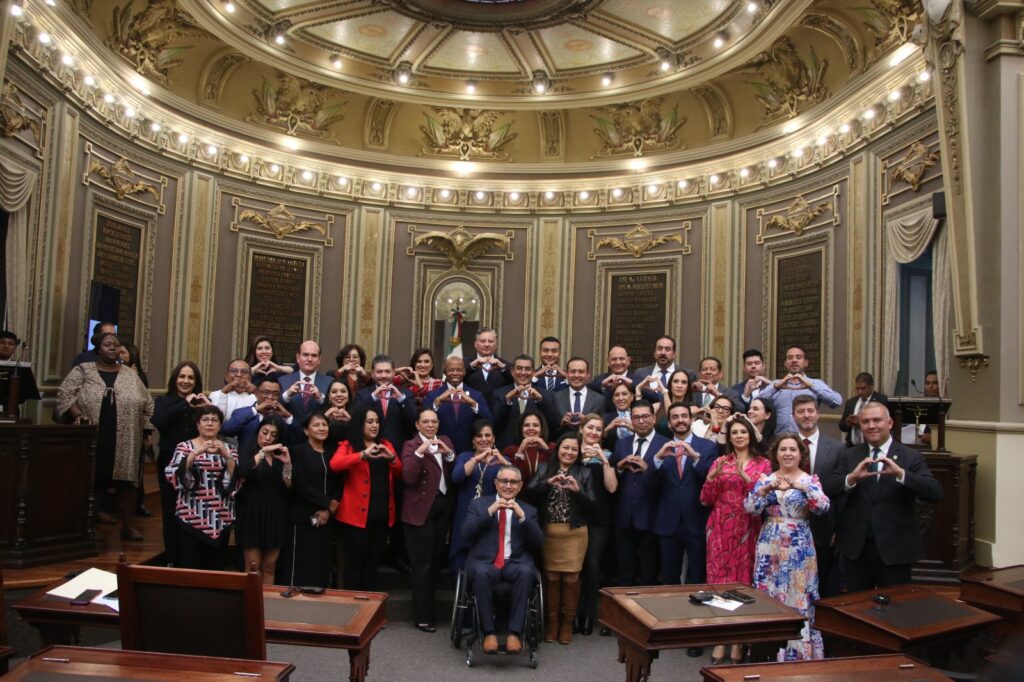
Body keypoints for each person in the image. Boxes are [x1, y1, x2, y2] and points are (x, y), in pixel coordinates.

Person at [826, 402, 942, 591]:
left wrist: (901, 474)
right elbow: (829, 489)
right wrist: (851, 478)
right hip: (856, 548)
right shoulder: (850, 455)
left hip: (895, 548)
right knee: (858, 609)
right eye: (865, 421)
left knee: (896, 610)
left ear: (890, 423)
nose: (871, 426)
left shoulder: (910, 456)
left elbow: (934, 492)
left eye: (876, 420)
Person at [57, 332, 154, 541]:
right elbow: (65, 395)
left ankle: (127, 526)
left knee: (127, 483)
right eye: (108, 344)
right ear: (98, 349)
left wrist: (147, 432)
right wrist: (78, 415)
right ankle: (84, 526)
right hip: (93, 436)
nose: (113, 348)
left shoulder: (130, 374)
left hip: (127, 437)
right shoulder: (82, 370)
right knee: (92, 480)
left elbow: (147, 403)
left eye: (116, 345)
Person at [745, 434, 830, 661]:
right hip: (770, 544)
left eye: (793, 449)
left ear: (800, 454)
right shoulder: (766, 478)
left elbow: (823, 507)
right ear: (776, 453)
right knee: (770, 594)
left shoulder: (809, 480)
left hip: (799, 545)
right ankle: (767, 653)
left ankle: (797, 654)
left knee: (798, 593)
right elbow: (751, 508)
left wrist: (802, 488)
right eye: (783, 449)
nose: (788, 453)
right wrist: (763, 491)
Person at [700, 413, 772, 665]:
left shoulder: (763, 464)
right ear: (728, 438)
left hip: (746, 527)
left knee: (742, 581)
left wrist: (745, 477)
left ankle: (738, 639)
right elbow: (705, 499)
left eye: (743, 432)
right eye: (734, 433)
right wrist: (711, 478)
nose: (738, 436)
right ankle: (721, 637)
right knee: (719, 581)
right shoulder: (720, 461)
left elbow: (764, 501)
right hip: (720, 526)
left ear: (750, 435)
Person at [461, 465, 543, 655]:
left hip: (515, 563)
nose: (508, 485)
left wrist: (522, 516)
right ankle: (489, 633)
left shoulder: (529, 510)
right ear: (496, 484)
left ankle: (514, 633)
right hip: (485, 562)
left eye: (513, 482)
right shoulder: (478, 505)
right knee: (481, 573)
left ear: (520, 486)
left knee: (526, 572)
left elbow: (539, 542)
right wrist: (490, 511)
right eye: (504, 481)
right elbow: (465, 533)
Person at [526, 433, 596, 645]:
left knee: (571, 579)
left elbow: (593, 504)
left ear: (579, 452)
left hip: (575, 533)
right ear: (558, 449)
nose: (569, 452)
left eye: (574, 449)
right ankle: (552, 623)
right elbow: (528, 493)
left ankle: (567, 624)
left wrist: (578, 491)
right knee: (552, 578)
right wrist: (547, 482)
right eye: (566, 448)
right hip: (549, 533)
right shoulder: (544, 469)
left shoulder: (584, 472)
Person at [329, 405, 403, 590]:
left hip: (382, 513)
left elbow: (400, 471)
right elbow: (335, 465)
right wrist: (362, 454)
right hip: (355, 517)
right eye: (370, 421)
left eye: (377, 421)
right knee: (354, 563)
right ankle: (353, 607)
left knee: (372, 563)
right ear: (360, 424)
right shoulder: (348, 445)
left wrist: (391, 457)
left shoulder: (386, 444)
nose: (374, 425)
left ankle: (370, 607)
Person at [645, 403, 718, 586]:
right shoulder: (658, 447)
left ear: (691, 420)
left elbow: (712, 481)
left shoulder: (708, 447)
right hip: (667, 522)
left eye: (684, 416)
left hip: (697, 521)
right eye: (675, 417)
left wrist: (695, 458)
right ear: (669, 424)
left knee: (698, 576)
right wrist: (658, 459)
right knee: (670, 577)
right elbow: (647, 485)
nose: (680, 420)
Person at [400, 410, 456, 632]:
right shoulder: (410, 445)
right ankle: (423, 616)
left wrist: (449, 454)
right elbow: (409, 477)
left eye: (434, 421)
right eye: (425, 421)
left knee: (434, 562)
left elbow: (453, 471)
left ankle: (431, 610)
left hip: (441, 508)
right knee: (422, 566)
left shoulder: (445, 440)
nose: (430, 425)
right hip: (419, 510)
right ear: (417, 424)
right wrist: (420, 454)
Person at [164, 405, 237, 569]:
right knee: (190, 569)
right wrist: (195, 453)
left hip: (221, 517)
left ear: (220, 425)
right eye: (205, 420)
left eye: (214, 420)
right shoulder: (184, 447)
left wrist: (227, 457)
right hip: (191, 516)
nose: (210, 423)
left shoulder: (231, 449)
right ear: (197, 425)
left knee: (216, 571)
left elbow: (235, 482)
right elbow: (172, 474)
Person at [278, 412, 339, 588]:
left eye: (324, 425)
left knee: (321, 563)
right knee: (298, 564)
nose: (321, 428)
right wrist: (325, 503)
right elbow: (298, 483)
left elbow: (339, 483)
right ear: (306, 430)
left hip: (326, 518)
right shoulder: (297, 451)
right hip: (301, 517)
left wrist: (328, 509)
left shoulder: (332, 452)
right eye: (316, 425)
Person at [610, 399, 667, 587]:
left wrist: (648, 468)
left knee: (648, 574)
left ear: (653, 418)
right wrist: (619, 468)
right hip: (624, 516)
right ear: (631, 420)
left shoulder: (665, 445)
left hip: (651, 516)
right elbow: (612, 482)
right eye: (636, 418)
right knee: (624, 572)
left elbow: (669, 482)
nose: (641, 421)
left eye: (645, 416)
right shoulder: (621, 444)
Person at [792, 394, 845, 597]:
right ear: (793, 415)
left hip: (824, 528)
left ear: (817, 413)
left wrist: (839, 528)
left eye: (810, 411)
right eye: (801, 411)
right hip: (791, 528)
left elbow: (841, 493)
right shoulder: (783, 446)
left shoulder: (837, 449)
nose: (806, 415)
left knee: (821, 583)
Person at [151, 360, 203, 564]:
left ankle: (190, 558)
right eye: (182, 376)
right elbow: (159, 422)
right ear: (175, 379)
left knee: (192, 511)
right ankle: (172, 558)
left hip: (196, 464)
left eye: (190, 377)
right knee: (171, 511)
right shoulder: (163, 402)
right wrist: (184, 403)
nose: (186, 381)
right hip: (169, 461)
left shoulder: (200, 404)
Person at [575, 413, 618, 637]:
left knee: (592, 565)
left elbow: (611, 488)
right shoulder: (570, 451)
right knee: (575, 566)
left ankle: (588, 614)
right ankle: (572, 612)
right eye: (590, 427)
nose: (593, 432)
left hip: (599, 518)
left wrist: (603, 459)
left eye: (598, 429)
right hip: (574, 516)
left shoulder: (608, 455)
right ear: (581, 428)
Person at [235, 417, 292, 584]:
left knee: (270, 566)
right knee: (253, 567)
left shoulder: (281, 454)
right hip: (252, 511)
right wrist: (261, 453)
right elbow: (241, 472)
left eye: (273, 435)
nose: (268, 438)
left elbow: (288, 485)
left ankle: (268, 605)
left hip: (276, 512)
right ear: (258, 431)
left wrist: (287, 464)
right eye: (264, 432)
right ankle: (252, 608)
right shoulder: (247, 450)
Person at [450, 421, 508, 571]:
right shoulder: (465, 457)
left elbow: (514, 481)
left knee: (486, 559)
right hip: (466, 514)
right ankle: (462, 591)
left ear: (494, 438)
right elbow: (457, 477)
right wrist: (476, 459)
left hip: (491, 517)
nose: (484, 439)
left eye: (488, 435)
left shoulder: (502, 460)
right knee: (462, 556)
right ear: (473, 440)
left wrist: (502, 461)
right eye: (479, 435)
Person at [758, 345, 842, 433]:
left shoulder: (816, 384)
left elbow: (837, 401)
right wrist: (775, 387)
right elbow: (757, 401)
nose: (794, 360)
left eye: (798, 357)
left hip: (805, 440)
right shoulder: (776, 384)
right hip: (779, 439)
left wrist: (811, 387)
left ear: (806, 362)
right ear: (785, 363)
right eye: (790, 358)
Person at [492, 354, 560, 449]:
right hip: (507, 450)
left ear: (533, 372)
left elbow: (556, 422)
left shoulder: (546, 395)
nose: (523, 372)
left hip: (537, 450)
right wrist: (507, 399)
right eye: (519, 368)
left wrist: (540, 400)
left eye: (527, 369)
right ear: (512, 371)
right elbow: (495, 423)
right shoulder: (500, 393)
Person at [427, 356, 492, 455]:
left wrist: (473, 404)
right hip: (440, 451)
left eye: (459, 370)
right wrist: (438, 402)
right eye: (451, 370)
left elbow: (490, 420)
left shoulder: (476, 395)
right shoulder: (433, 395)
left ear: (464, 372)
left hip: (469, 452)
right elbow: (423, 420)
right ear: (445, 372)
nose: (455, 373)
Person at [354, 354, 418, 451]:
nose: (383, 375)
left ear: (393, 373)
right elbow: (356, 419)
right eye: (379, 372)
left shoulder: (406, 394)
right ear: (372, 373)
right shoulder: (362, 394)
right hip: (370, 450)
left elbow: (414, 421)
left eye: (387, 372)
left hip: (399, 451)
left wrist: (401, 399)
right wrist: (373, 397)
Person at [222, 378, 295, 450]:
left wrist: (288, 416)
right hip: (247, 460)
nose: (270, 397)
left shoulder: (283, 416)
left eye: (275, 394)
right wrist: (256, 409)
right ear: (256, 392)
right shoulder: (246, 413)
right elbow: (227, 430)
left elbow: (299, 439)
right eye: (266, 393)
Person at [279, 340, 332, 425]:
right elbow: (275, 406)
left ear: (319, 359)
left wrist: (320, 398)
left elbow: (332, 408)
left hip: (319, 434)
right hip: (290, 435)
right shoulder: (283, 381)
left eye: (314, 355)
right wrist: (287, 395)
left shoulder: (330, 382)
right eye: (305, 355)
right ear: (298, 357)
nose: (310, 359)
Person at [553, 357, 607, 437]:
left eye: (581, 372)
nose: (576, 375)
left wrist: (587, 422)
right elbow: (550, 428)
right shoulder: (556, 397)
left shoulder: (599, 400)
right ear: (566, 374)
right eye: (573, 371)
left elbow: (603, 429)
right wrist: (561, 423)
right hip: (565, 445)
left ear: (588, 375)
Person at [838, 372, 888, 447]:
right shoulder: (851, 402)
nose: (859, 391)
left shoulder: (881, 400)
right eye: (857, 388)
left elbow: (886, 425)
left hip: (872, 447)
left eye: (863, 388)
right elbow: (842, 426)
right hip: (852, 447)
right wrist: (847, 423)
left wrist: (862, 422)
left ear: (871, 386)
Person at [503, 412, 554, 486]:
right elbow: (511, 478)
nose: (531, 428)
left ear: (542, 428)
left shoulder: (552, 448)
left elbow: (556, 469)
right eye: (526, 425)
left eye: (535, 425)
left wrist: (546, 449)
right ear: (521, 428)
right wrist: (520, 452)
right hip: (518, 495)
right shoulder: (510, 451)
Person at [464, 327, 511, 403]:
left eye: (491, 341)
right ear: (475, 344)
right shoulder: (465, 363)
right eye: (482, 341)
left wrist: (502, 368)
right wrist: (471, 366)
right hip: (471, 410)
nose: (487, 344)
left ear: (495, 344)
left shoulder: (505, 365)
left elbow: (514, 383)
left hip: (497, 411)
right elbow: (453, 380)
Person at [207, 359, 256, 425]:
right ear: (226, 377)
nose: (239, 375)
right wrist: (224, 392)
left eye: (244, 372)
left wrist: (256, 392)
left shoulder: (255, 397)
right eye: (234, 371)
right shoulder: (215, 395)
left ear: (250, 378)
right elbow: (216, 421)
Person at [654, 368, 692, 437]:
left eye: (684, 382)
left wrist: (664, 391)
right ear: (670, 385)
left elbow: (672, 414)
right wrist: (638, 390)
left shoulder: (692, 408)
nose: (679, 386)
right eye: (675, 381)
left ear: (688, 387)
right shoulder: (657, 407)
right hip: (658, 446)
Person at [601, 382, 634, 452]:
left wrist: (635, 429)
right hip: (613, 459)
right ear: (613, 400)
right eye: (616, 395)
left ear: (632, 397)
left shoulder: (640, 416)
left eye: (624, 394)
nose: (620, 398)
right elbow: (595, 440)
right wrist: (607, 429)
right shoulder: (605, 418)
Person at [323, 379, 352, 452]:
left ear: (349, 396)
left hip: (350, 455)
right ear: (329, 397)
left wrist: (351, 421)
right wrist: (324, 418)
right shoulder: (320, 415)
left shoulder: (357, 415)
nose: (339, 395)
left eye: (343, 391)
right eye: (334, 392)